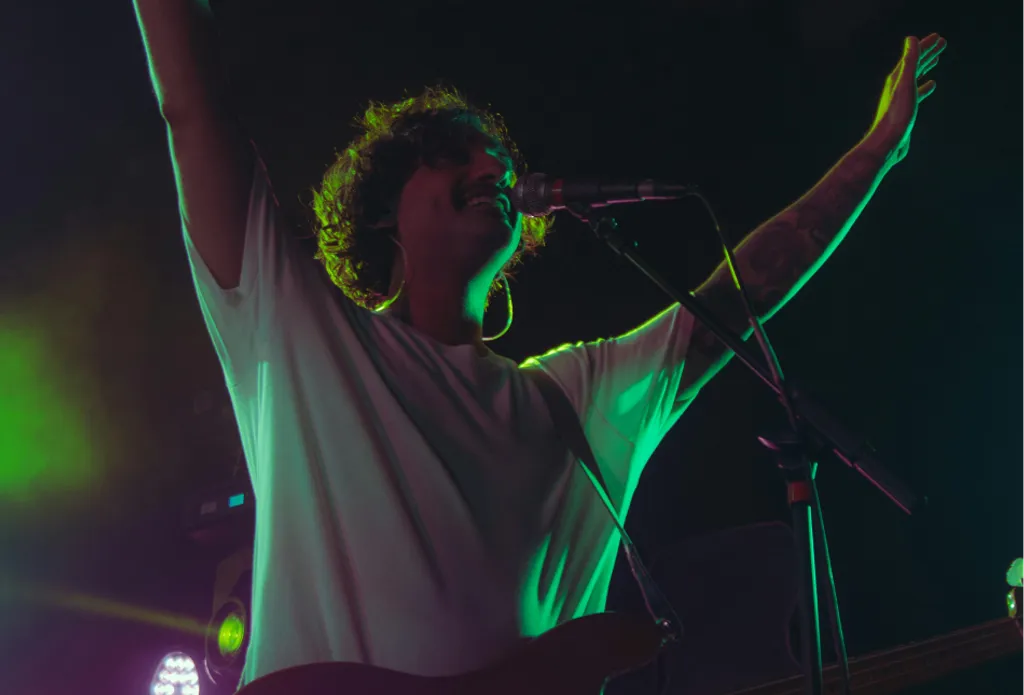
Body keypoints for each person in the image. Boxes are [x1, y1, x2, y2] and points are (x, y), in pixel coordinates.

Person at [131, 0, 946, 689]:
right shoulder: (303, 333)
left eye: (498, 154)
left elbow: (751, 284)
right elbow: (195, 109)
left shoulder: (573, 397)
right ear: (386, 210)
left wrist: (878, 150)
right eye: (452, 153)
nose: (490, 162)